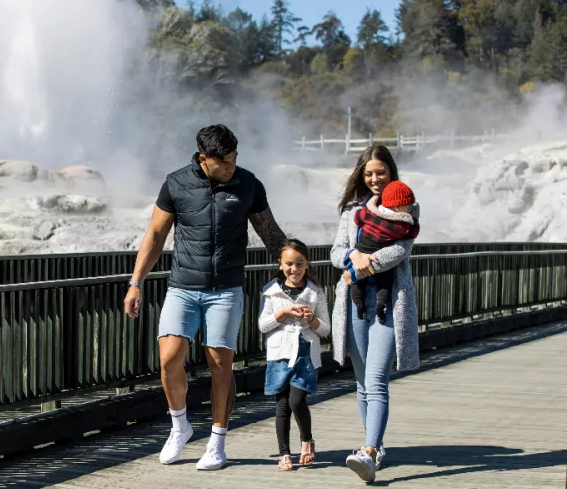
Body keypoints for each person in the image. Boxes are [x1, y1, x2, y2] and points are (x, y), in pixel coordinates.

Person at [123, 124, 288, 471]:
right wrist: (136, 282)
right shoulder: (176, 183)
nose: (231, 168)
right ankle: (180, 425)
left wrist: (296, 272)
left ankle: (217, 441)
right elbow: (155, 234)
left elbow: (270, 233)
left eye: (234, 160)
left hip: (225, 290)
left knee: (219, 363)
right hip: (182, 287)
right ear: (203, 159)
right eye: (224, 163)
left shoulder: (248, 184)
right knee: (168, 358)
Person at [329, 145, 421, 483]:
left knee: (377, 379)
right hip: (355, 303)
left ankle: (367, 452)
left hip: (389, 303)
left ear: (391, 172)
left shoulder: (405, 205)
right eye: (368, 173)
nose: (374, 178)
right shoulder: (352, 211)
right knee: (362, 382)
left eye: (380, 172)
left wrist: (367, 264)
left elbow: (400, 249)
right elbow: (336, 251)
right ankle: (375, 446)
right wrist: (354, 256)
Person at [257, 239, 330, 471]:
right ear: (280, 264)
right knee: (282, 405)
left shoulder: (315, 292)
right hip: (280, 353)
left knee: (297, 400)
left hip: (305, 353)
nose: (294, 269)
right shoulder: (271, 292)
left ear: (307, 264)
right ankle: (284, 452)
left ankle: (307, 439)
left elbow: (325, 329)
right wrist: (282, 313)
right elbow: (262, 325)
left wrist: (312, 320)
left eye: (300, 264)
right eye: (289, 264)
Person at [347, 180, 420, 323]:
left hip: (361, 249)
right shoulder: (400, 225)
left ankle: (358, 304)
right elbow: (412, 232)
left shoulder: (369, 212)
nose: (411, 209)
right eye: (409, 206)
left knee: (357, 283)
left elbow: (357, 217)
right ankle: (381, 306)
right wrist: (415, 219)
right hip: (379, 256)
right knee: (385, 282)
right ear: (398, 207)